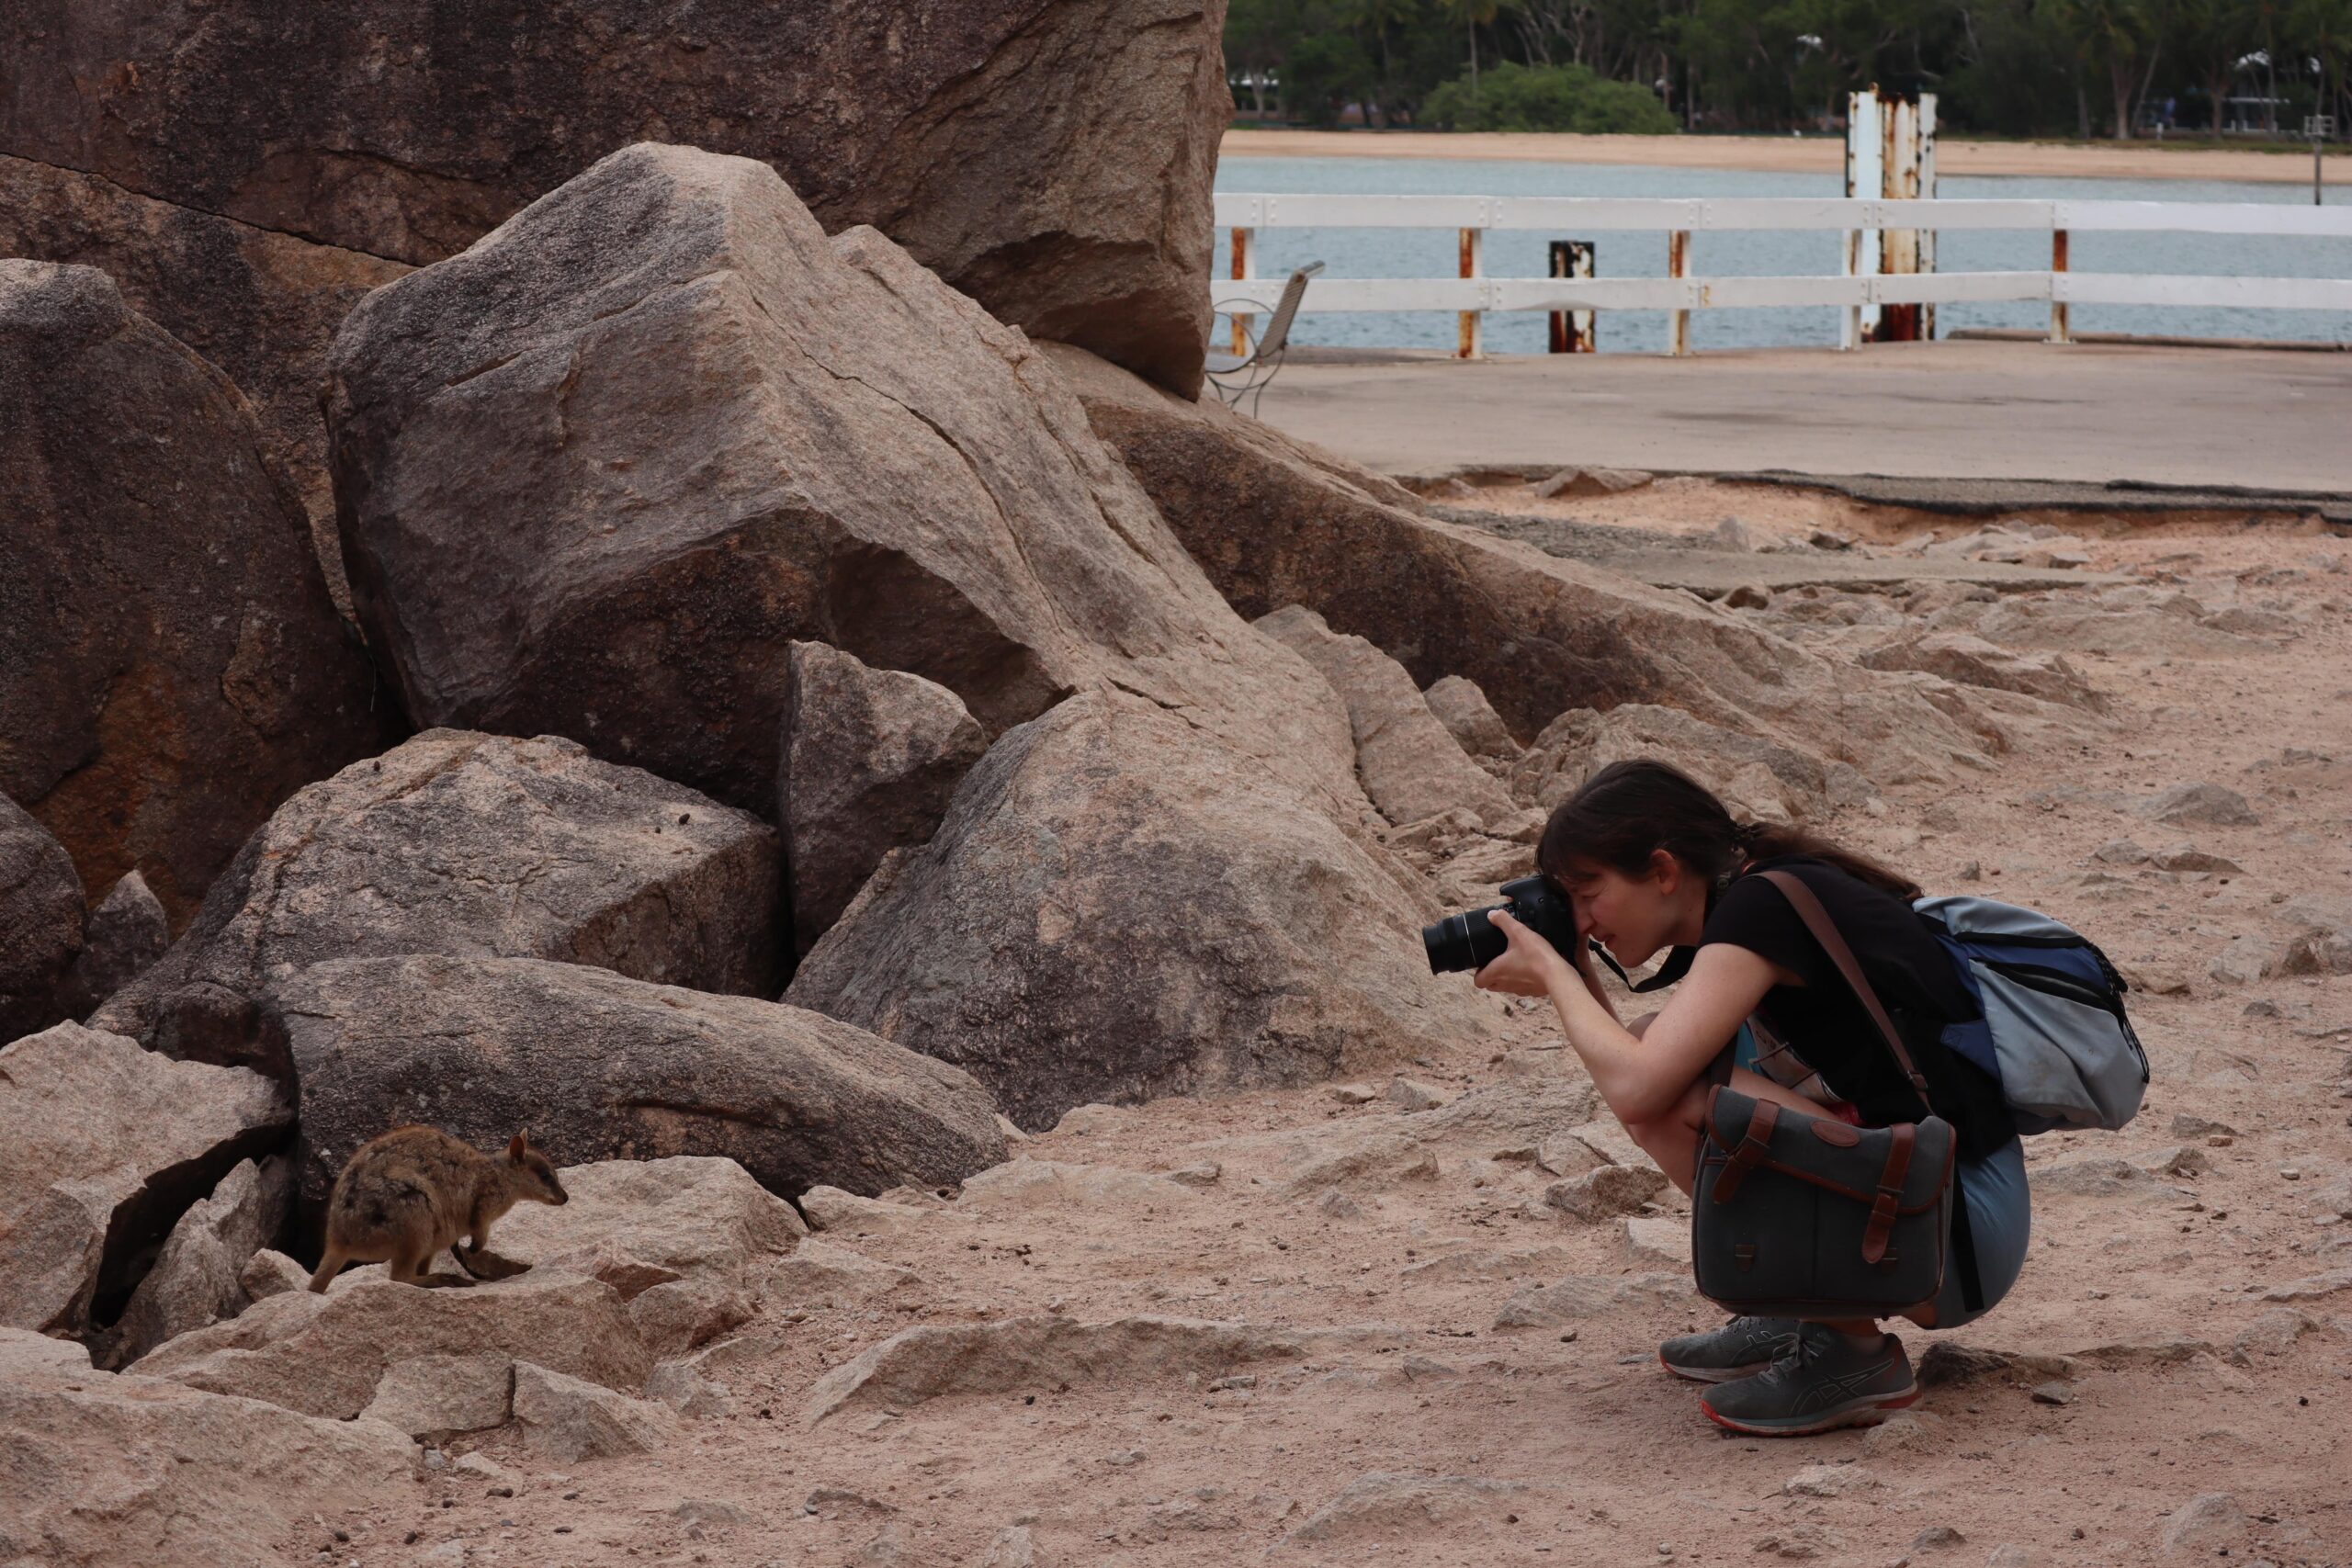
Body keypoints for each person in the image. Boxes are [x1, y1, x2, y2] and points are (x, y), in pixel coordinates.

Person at [1472, 759, 2030, 1437]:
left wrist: (1557, 976)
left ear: (1663, 870)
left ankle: (1851, 1351)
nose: (1583, 920)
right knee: (1665, 1049)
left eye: (1587, 893)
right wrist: (1578, 967)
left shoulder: (1758, 912)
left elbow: (1645, 1088)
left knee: (1680, 1093)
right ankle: (1802, 1306)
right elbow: (1635, 1064)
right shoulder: (1759, 887)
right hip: (1933, 1200)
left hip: (1957, 1232)